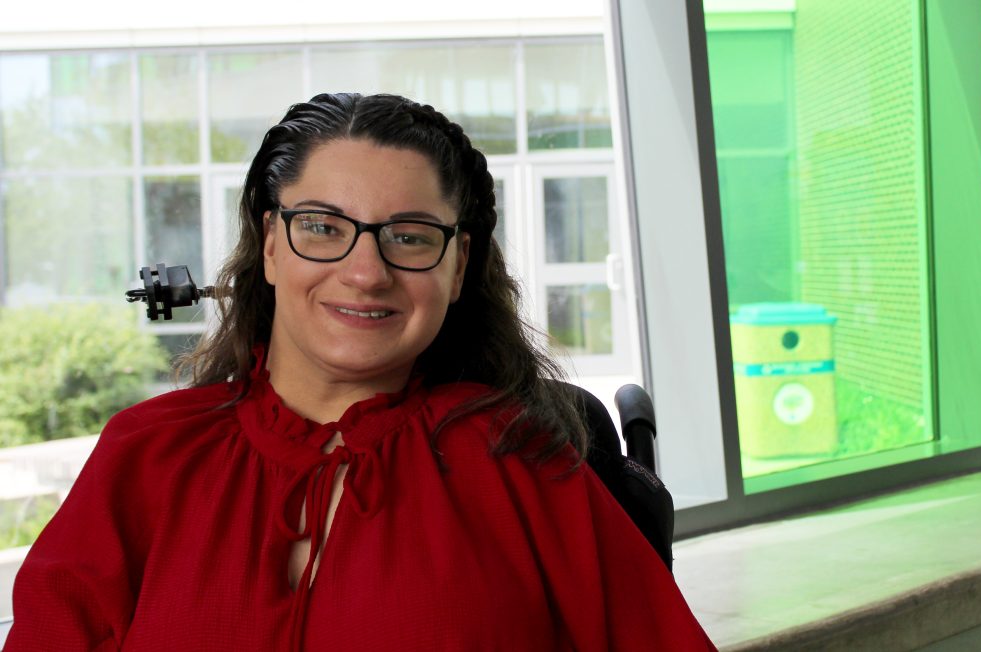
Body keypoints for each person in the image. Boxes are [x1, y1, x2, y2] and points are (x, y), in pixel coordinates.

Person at [5, 93, 715, 651]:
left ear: (458, 266)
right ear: (271, 244)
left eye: (409, 236)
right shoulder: (146, 456)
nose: (366, 271)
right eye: (322, 226)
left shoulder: (522, 459)